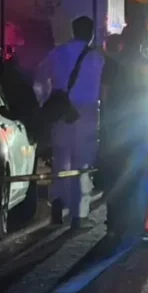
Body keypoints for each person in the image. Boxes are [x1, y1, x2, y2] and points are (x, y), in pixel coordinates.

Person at [34, 16, 105, 228]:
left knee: (60, 160)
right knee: (82, 164)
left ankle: (57, 203)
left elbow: (39, 79)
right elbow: (104, 87)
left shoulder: (57, 53)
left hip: (61, 113)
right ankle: (79, 215)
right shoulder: (97, 58)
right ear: (91, 33)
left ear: (73, 31)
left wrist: (48, 100)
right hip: (87, 114)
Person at [100, 22, 148, 241]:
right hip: (141, 129)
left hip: (117, 130)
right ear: (142, 42)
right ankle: (136, 224)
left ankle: (114, 224)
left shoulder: (111, 65)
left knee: (116, 176)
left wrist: (106, 127)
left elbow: (105, 99)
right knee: (138, 176)